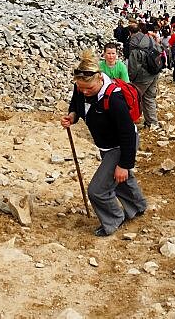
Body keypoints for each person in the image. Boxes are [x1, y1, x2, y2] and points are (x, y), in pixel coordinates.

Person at [62, 51, 147, 236]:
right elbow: (76, 105)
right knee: (121, 180)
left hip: (120, 146)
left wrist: (124, 164)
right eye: (81, 88)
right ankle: (138, 207)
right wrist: (72, 116)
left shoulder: (114, 99)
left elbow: (127, 134)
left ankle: (114, 219)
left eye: (88, 89)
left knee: (97, 190)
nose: (84, 92)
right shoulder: (81, 88)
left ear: (100, 78)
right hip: (106, 145)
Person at [128, 23, 161, 129]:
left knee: (133, 97)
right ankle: (152, 122)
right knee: (149, 97)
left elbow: (133, 65)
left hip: (143, 76)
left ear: (130, 32)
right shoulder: (149, 38)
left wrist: (131, 79)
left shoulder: (134, 44)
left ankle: (128, 122)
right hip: (155, 71)